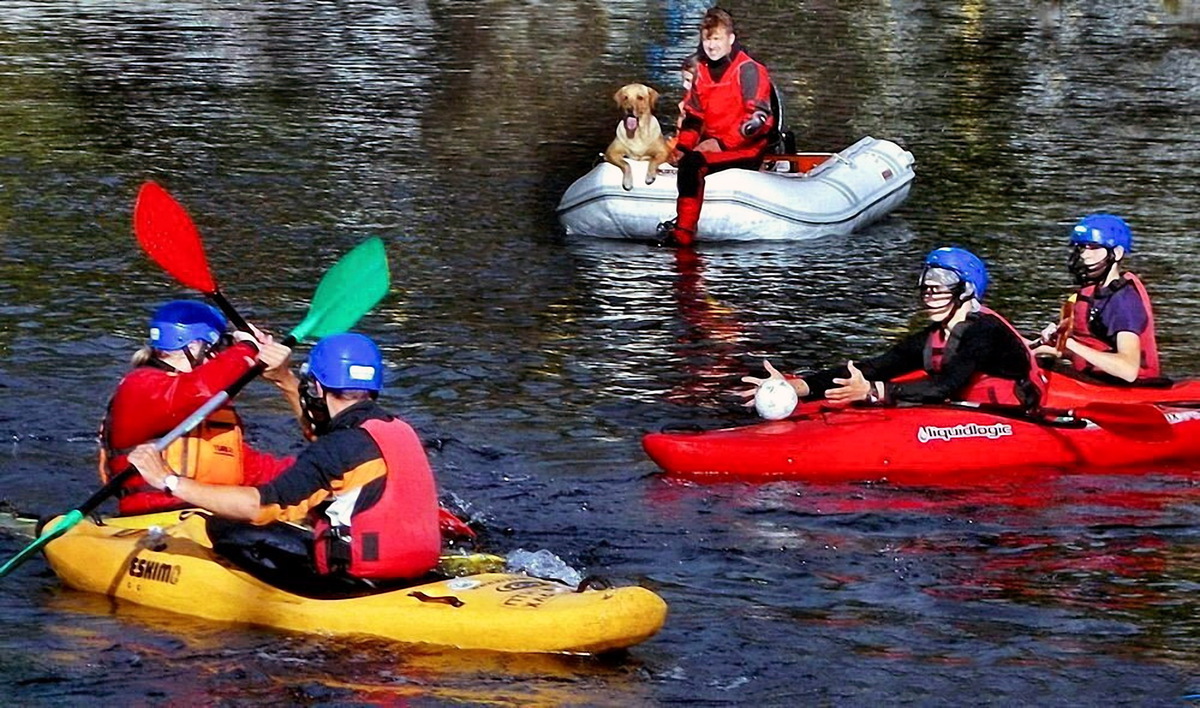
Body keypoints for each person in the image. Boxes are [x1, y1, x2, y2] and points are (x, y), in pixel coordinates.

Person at [128, 332, 442, 584]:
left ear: (317, 388)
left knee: (225, 527)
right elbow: (330, 444)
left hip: (353, 581)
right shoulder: (397, 429)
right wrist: (283, 379)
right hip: (416, 571)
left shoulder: (336, 448)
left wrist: (167, 480)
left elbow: (259, 507)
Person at [743, 247, 1046, 410]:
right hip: (967, 409)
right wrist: (804, 386)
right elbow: (876, 366)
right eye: (926, 282)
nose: (930, 290)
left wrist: (874, 393)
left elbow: (946, 386)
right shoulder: (935, 336)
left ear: (965, 290)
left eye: (941, 283)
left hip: (1013, 415)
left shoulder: (985, 331)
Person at [99, 300, 300, 515]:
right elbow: (201, 388)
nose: (223, 355)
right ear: (194, 347)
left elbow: (251, 470)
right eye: (221, 348)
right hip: (154, 520)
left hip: (210, 519)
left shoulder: (210, 408)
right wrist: (247, 348)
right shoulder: (140, 387)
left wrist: (319, 471)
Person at [658, 7, 775, 246]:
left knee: (692, 164)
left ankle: (684, 232)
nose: (711, 46)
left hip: (746, 147)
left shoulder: (749, 69)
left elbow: (758, 120)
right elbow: (693, 117)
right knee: (687, 157)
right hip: (714, 144)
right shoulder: (701, 70)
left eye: (717, 39)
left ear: (730, 39)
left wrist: (721, 143)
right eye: (707, 40)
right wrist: (682, 147)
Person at [1031, 213, 1159, 383]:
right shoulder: (1092, 293)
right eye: (1082, 247)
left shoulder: (1124, 302)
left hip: (1128, 388)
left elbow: (1128, 370)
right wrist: (1050, 344)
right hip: (1095, 379)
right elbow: (1091, 348)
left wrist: (1070, 344)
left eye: (1094, 247)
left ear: (1117, 253)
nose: (1085, 255)